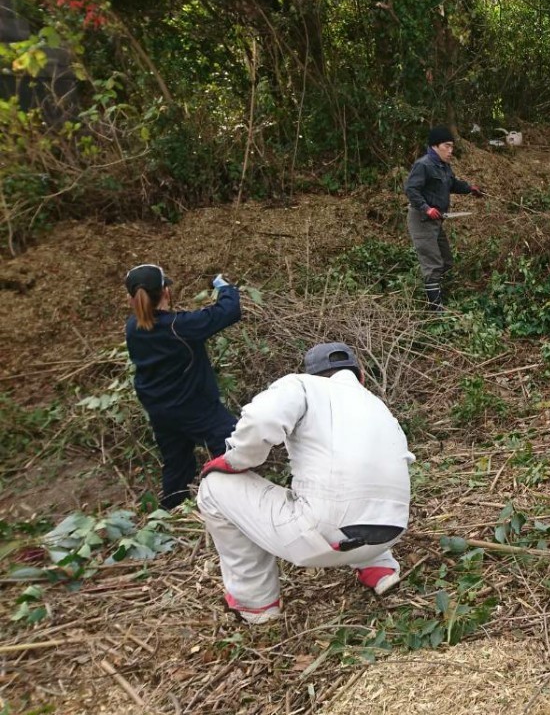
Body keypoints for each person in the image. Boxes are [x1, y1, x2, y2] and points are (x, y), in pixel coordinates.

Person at [196, 342, 413, 624]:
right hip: (391, 529)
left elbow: (261, 420)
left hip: (326, 536)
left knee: (213, 487)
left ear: (314, 373)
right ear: (360, 376)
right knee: (361, 487)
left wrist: (237, 459)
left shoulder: (302, 386)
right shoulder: (378, 407)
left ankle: (255, 603)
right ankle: (379, 569)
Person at [124, 264, 241, 510]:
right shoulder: (180, 327)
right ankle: (238, 503)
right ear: (166, 292)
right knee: (236, 445)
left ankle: (169, 513)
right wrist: (226, 288)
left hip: (161, 412)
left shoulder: (132, 328)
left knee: (177, 465)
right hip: (195, 409)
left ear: (130, 299)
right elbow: (228, 311)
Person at [404, 126, 485, 311]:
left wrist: (469, 189)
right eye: (447, 146)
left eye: (452, 147)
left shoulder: (444, 166)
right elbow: (411, 190)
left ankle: (440, 292)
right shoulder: (423, 165)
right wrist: (426, 209)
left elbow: (452, 184)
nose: (451, 151)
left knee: (446, 260)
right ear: (434, 146)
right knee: (433, 263)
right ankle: (435, 309)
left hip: (436, 220)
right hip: (422, 220)